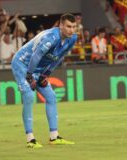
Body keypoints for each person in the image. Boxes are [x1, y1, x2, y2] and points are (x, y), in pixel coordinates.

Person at [11, 13, 77, 148]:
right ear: (61, 25)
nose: (72, 30)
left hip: (38, 68)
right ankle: (30, 139)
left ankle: (54, 137)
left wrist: (46, 74)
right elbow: (36, 56)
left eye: (74, 27)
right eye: (69, 26)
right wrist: (29, 76)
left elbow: (59, 57)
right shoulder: (51, 37)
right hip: (22, 64)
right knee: (29, 96)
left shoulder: (72, 38)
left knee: (51, 97)